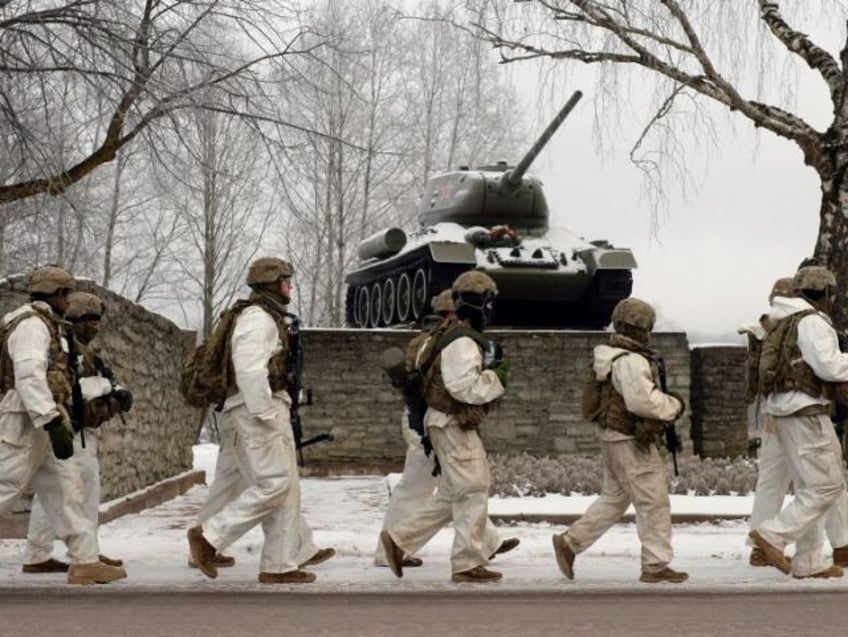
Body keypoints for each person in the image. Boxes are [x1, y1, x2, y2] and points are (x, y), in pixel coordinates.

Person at [187, 257, 316, 584]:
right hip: (257, 409)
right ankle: (211, 537)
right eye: (286, 282)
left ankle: (279, 564)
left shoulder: (263, 316)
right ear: (273, 284)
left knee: (286, 489)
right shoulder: (258, 318)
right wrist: (265, 412)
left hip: (262, 406)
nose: (290, 288)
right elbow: (248, 368)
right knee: (275, 483)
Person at [379, 271, 510, 583]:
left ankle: (399, 542)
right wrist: (497, 378)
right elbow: (463, 387)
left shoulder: (448, 338)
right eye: (488, 303)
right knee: (475, 487)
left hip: (442, 422)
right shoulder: (463, 341)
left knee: (452, 492)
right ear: (478, 304)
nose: (491, 310)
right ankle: (467, 563)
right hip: (452, 423)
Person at [0, 267, 126, 584]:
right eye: (67, 294)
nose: (70, 300)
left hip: (44, 417)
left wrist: (53, 418)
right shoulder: (31, 326)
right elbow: (28, 376)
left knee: (66, 490)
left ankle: (85, 559)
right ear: (58, 294)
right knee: (5, 487)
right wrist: (49, 418)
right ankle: (83, 557)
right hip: (26, 419)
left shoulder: (45, 324)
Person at [552, 297, 687, 584]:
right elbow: (643, 402)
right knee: (654, 502)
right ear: (642, 328)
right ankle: (655, 564)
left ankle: (571, 542)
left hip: (613, 437)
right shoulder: (632, 360)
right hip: (631, 439)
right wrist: (674, 405)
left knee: (614, 498)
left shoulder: (610, 357)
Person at [748, 265, 848, 579]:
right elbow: (829, 367)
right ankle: (773, 535)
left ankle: (809, 560)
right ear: (827, 294)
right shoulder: (812, 323)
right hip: (806, 413)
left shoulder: (785, 320)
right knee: (826, 485)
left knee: (810, 486)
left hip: (784, 412)